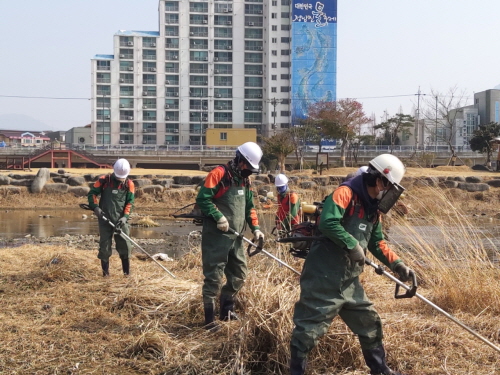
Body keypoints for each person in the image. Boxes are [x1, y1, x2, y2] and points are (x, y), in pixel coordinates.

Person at [289, 154, 414, 375]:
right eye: (389, 186)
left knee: (369, 322)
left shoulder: (373, 209)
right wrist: (351, 244)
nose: (389, 192)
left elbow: (377, 242)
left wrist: (398, 264)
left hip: (349, 281)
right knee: (308, 331)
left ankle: (381, 370)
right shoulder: (345, 193)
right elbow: (328, 222)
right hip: (323, 277)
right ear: (380, 180)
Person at [196, 142, 264, 330]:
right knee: (214, 277)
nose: (249, 171)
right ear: (240, 160)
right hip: (217, 236)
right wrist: (218, 217)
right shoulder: (219, 174)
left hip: (236, 237)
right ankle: (209, 320)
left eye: (251, 169)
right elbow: (203, 199)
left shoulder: (245, 180)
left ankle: (226, 310)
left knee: (239, 274)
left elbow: (249, 207)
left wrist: (256, 228)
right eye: (248, 167)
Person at [88, 158, 135, 277]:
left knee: (125, 245)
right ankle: (106, 275)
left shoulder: (129, 184)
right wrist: (95, 208)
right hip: (104, 218)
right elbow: (92, 193)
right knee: (104, 246)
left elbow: (130, 202)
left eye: (122, 177)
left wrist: (125, 217)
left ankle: (126, 274)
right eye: (119, 177)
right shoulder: (103, 181)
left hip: (120, 220)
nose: (121, 179)